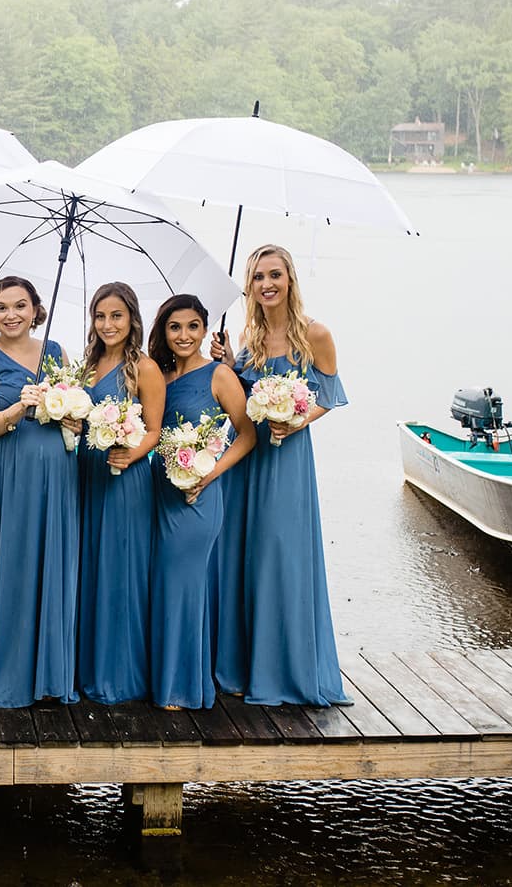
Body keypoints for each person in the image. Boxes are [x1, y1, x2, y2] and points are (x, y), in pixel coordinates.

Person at [211, 244, 351, 707]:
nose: (267, 284)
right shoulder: (248, 338)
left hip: (286, 459)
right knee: (239, 554)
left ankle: (284, 670)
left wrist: (296, 420)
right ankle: (238, 668)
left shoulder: (316, 334)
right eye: (257, 277)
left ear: (290, 278)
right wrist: (228, 364)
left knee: (279, 555)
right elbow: (241, 395)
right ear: (249, 286)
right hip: (246, 457)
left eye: (275, 274)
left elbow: (328, 396)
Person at [0, 276, 80, 707]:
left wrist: (70, 417)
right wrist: (20, 406)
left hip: (58, 473)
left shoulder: (56, 351)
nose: (10, 314)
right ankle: (9, 672)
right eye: (1, 307)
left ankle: (50, 675)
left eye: (19, 306)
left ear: (36, 310)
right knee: (13, 563)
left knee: (54, 564)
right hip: (9, 472)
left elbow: (74, 413)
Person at [147, 294, 256, 710]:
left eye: (193, 326)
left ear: (206, 329)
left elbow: (247, 435)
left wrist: (207, 475)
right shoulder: (160, 376)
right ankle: (161, 675)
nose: (184, 335)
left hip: (199, 495)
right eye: (175, 327)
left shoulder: (220, 376)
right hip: (156, 491)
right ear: (164, 331)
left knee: (183, 584)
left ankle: (182, 686)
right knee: (161, 583)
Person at [76, 282, 164, 704]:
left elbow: (155, 430)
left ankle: (121, 674)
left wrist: (130, 455)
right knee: (88, 568)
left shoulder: (144, 368)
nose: (108, 324)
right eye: (100, 316)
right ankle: (84, 667)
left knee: (120, 572)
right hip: (86, 475)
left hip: (124, 478)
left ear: (132, 319)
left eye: (116, 315)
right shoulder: (85, 366)